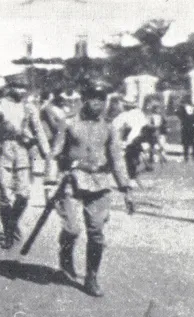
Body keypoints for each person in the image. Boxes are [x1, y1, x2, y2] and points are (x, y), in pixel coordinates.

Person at [46, 79, 131, 297]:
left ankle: (91, 277)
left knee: (97, 234)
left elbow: (117, 158)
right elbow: (54, 154)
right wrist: (48, 182)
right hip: (72, 181)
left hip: (100, 183)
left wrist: (126, 188)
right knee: (72, 229)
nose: (99, 104)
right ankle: (65, 258)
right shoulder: (69, 123)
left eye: (102, 99)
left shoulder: (109, 128)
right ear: (84, 100)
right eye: (94, 98)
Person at [0, 77, 50, 250]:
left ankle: (12, 224)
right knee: (5, 196)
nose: (21, 91)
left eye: (24, 88)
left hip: (23, 154)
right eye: (18, 87)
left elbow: (39, 131)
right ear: (9, 88)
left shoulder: (29, 108)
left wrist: (47, 154)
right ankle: (8, 234)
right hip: (3, 154)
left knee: (23, 195)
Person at [111, 95, 148, 181]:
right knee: (132, 156)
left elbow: (115, 125)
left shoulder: (125, 115)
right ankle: (134, 172)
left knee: (128, 157)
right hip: (140, 137)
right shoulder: (139, 113)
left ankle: (131, 176)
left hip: (132, 138)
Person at [176, 96, 194, 161]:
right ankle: (186, 156)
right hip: (186, 128)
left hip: (192, 128)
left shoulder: (193, 109)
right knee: (186, 143)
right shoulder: (182, 109)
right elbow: (179, 114)